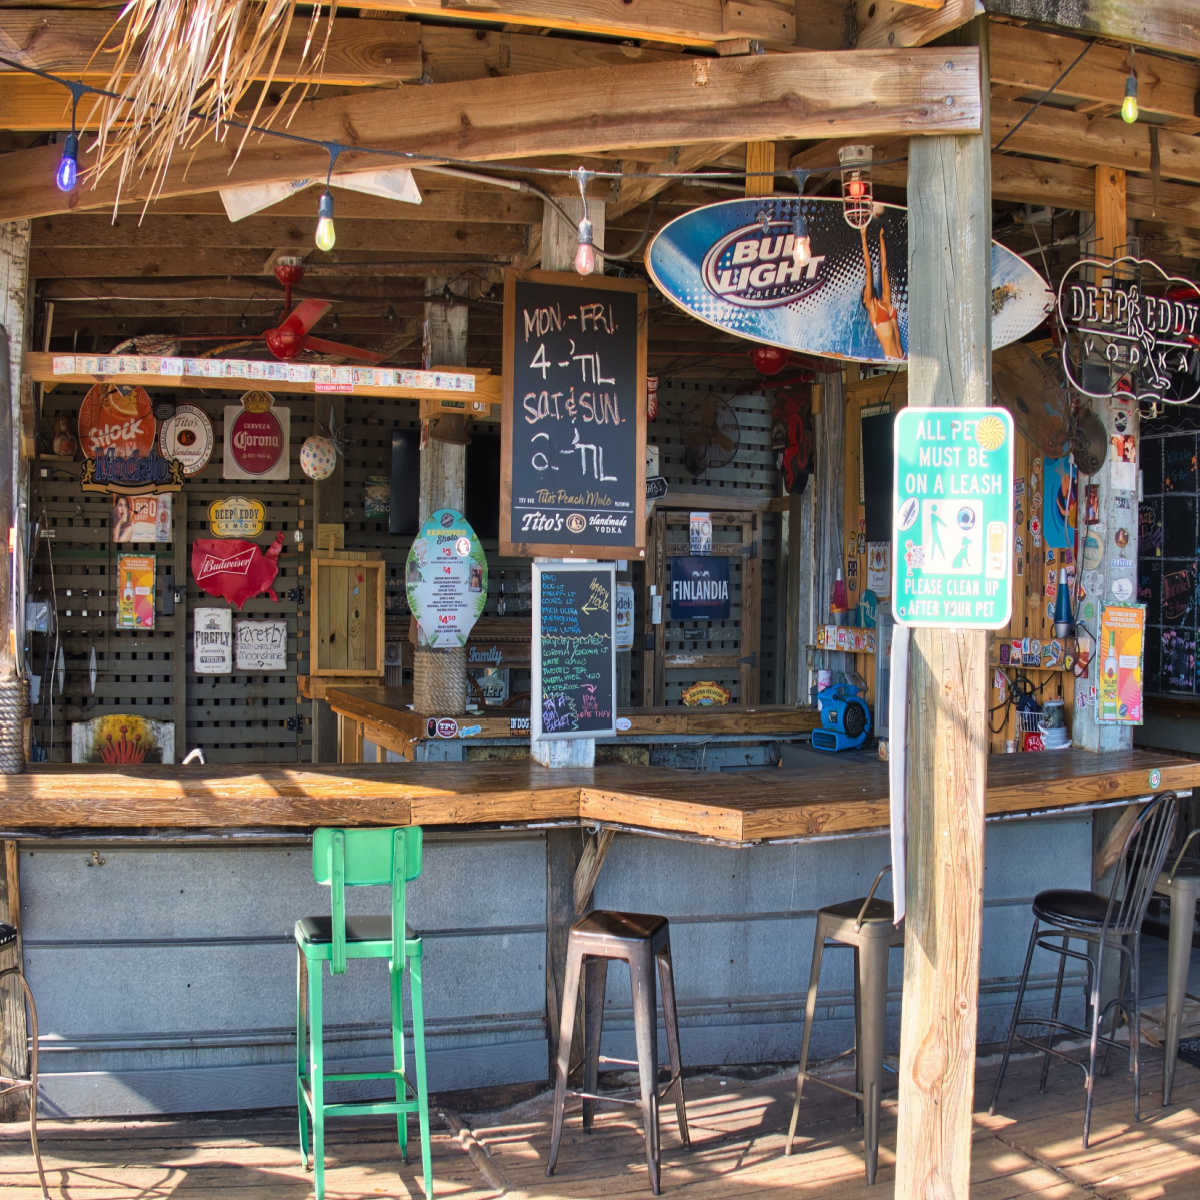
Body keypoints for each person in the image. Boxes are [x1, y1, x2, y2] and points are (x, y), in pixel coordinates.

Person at [860, 223, 903, 360]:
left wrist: (881, 238)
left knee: (885, 269)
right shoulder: (871, 308)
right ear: (864, 300)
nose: (867, 287)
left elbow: (884, 266)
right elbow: (868, 268)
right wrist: (863, 237)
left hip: (903, 357)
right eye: (865, 291)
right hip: (892, 359)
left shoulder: (885, 300)